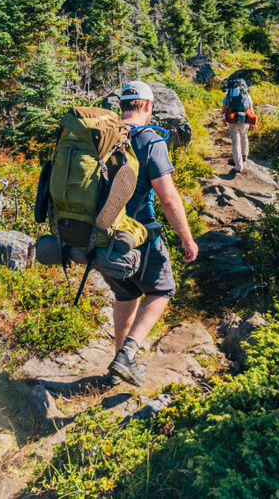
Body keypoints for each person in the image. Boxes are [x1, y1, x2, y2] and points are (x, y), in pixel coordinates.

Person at [105, 80, 198, 386]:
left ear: (122, 106)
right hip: (138, 235)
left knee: (126, 292)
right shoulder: (149, 140)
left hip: (102, 235)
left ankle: (120, 362)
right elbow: (168, 198)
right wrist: (187, 238)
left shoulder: (104, 137)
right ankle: (127, 354)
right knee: (161, 290)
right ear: (147, 106)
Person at [221, 78, 256, 174]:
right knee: (244, 136)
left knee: (236, 142)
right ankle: (245, 155)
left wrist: (224, 120)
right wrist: (254, 123)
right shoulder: (247, 95)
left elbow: (224, 109)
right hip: (244, 119)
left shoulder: (229, 94)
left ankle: (238, 166)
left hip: (233, 120)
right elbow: (251, 109)